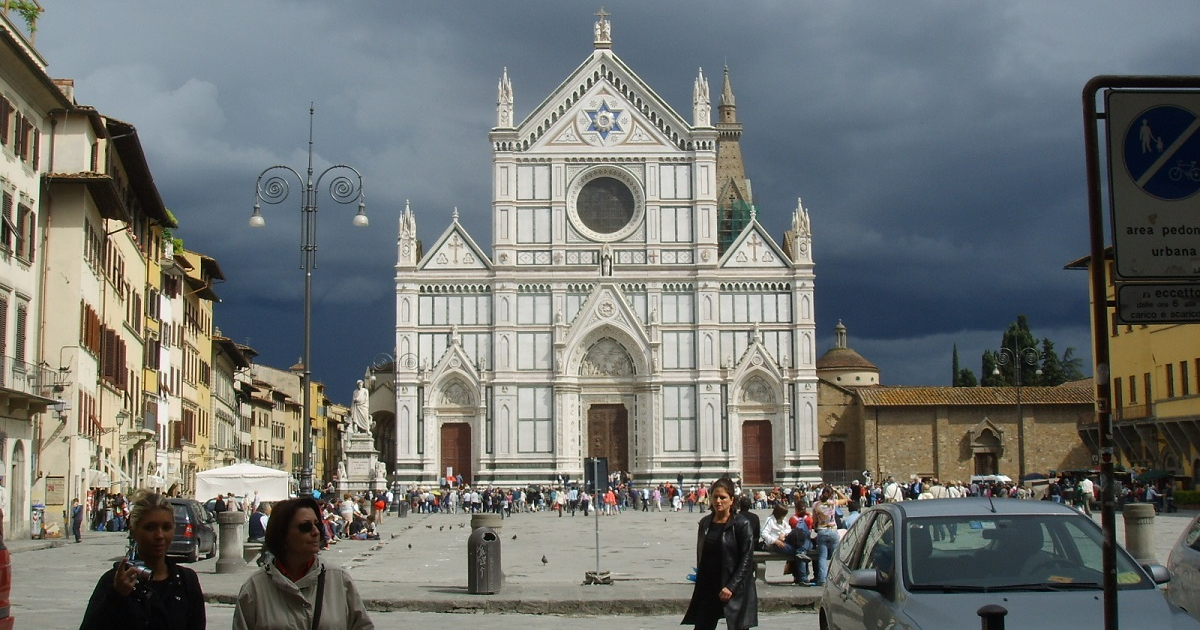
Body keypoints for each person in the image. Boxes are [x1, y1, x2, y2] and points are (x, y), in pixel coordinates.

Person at [233, 496, 373, 629]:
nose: (315, 532)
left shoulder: (339, 580)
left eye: (317, 525)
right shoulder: (254, 589)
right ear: (282, 533)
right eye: (305, 527)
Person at [80, 489, 206, 629]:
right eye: (150, 528)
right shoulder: (114, 581)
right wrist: (116, 596)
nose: (159, 535)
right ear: (133, 531)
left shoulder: (186, 581)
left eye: (166, 527)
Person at [682, 477, 758, 630]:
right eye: (715, 497)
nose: (718, 501)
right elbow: (702, 554)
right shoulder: (705, 523)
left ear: (732, 500)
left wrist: (731, 586)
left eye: (722, 497)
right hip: (709, 587)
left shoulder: (742, 524)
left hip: (733, 588)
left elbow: (746, 559)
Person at [811, 486, 849, 586]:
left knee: (822, 557)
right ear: (831, 494)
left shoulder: (816, 505)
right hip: (833, 530)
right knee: (835, 556)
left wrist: (816, 526)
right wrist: (837, 491)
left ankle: (822, 580)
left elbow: (814, 520)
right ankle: (837, 579)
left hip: (822, 531)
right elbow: (846, 499)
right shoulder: (833, 503)